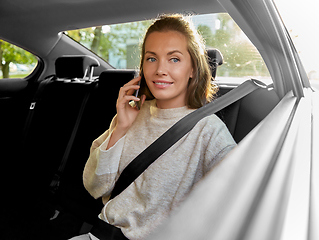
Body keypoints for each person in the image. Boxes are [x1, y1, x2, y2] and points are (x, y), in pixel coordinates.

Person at [72, 14, 236, 240]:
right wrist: (120, 128)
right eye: (151, 58)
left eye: (174, 59)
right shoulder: (129, 115)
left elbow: (239, 198)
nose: (160, 69)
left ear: (192, 69)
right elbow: (95, 187)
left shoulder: (208, 130)